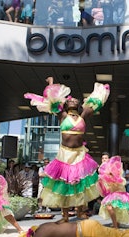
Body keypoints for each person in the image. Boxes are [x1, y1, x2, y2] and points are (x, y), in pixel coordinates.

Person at [24, 76, 110, 222]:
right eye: (70, 99)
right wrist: (51, 83)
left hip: (79, 155)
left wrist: (102, 91)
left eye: (75, 100)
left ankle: (80, 211)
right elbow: (51, 98)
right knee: (64, 185)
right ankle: (64, 215)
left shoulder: (83, 115)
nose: (72, 99)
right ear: (66, 104)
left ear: (79, 105)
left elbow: (96, 103)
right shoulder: (62, 115)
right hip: (65, 155)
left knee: (81, 184)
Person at [96, 155, 129, 228]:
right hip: (109, 192)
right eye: (103, 158)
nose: (104, 159)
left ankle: (115, 225)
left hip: (116, 191)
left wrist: (110, 174)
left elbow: (118, 178)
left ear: (109, 159)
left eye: (106, 158)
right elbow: (102, 182)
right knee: (112, 208)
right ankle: (116, 223)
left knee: (111, 207)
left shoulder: (113, 167)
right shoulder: (101, 169)